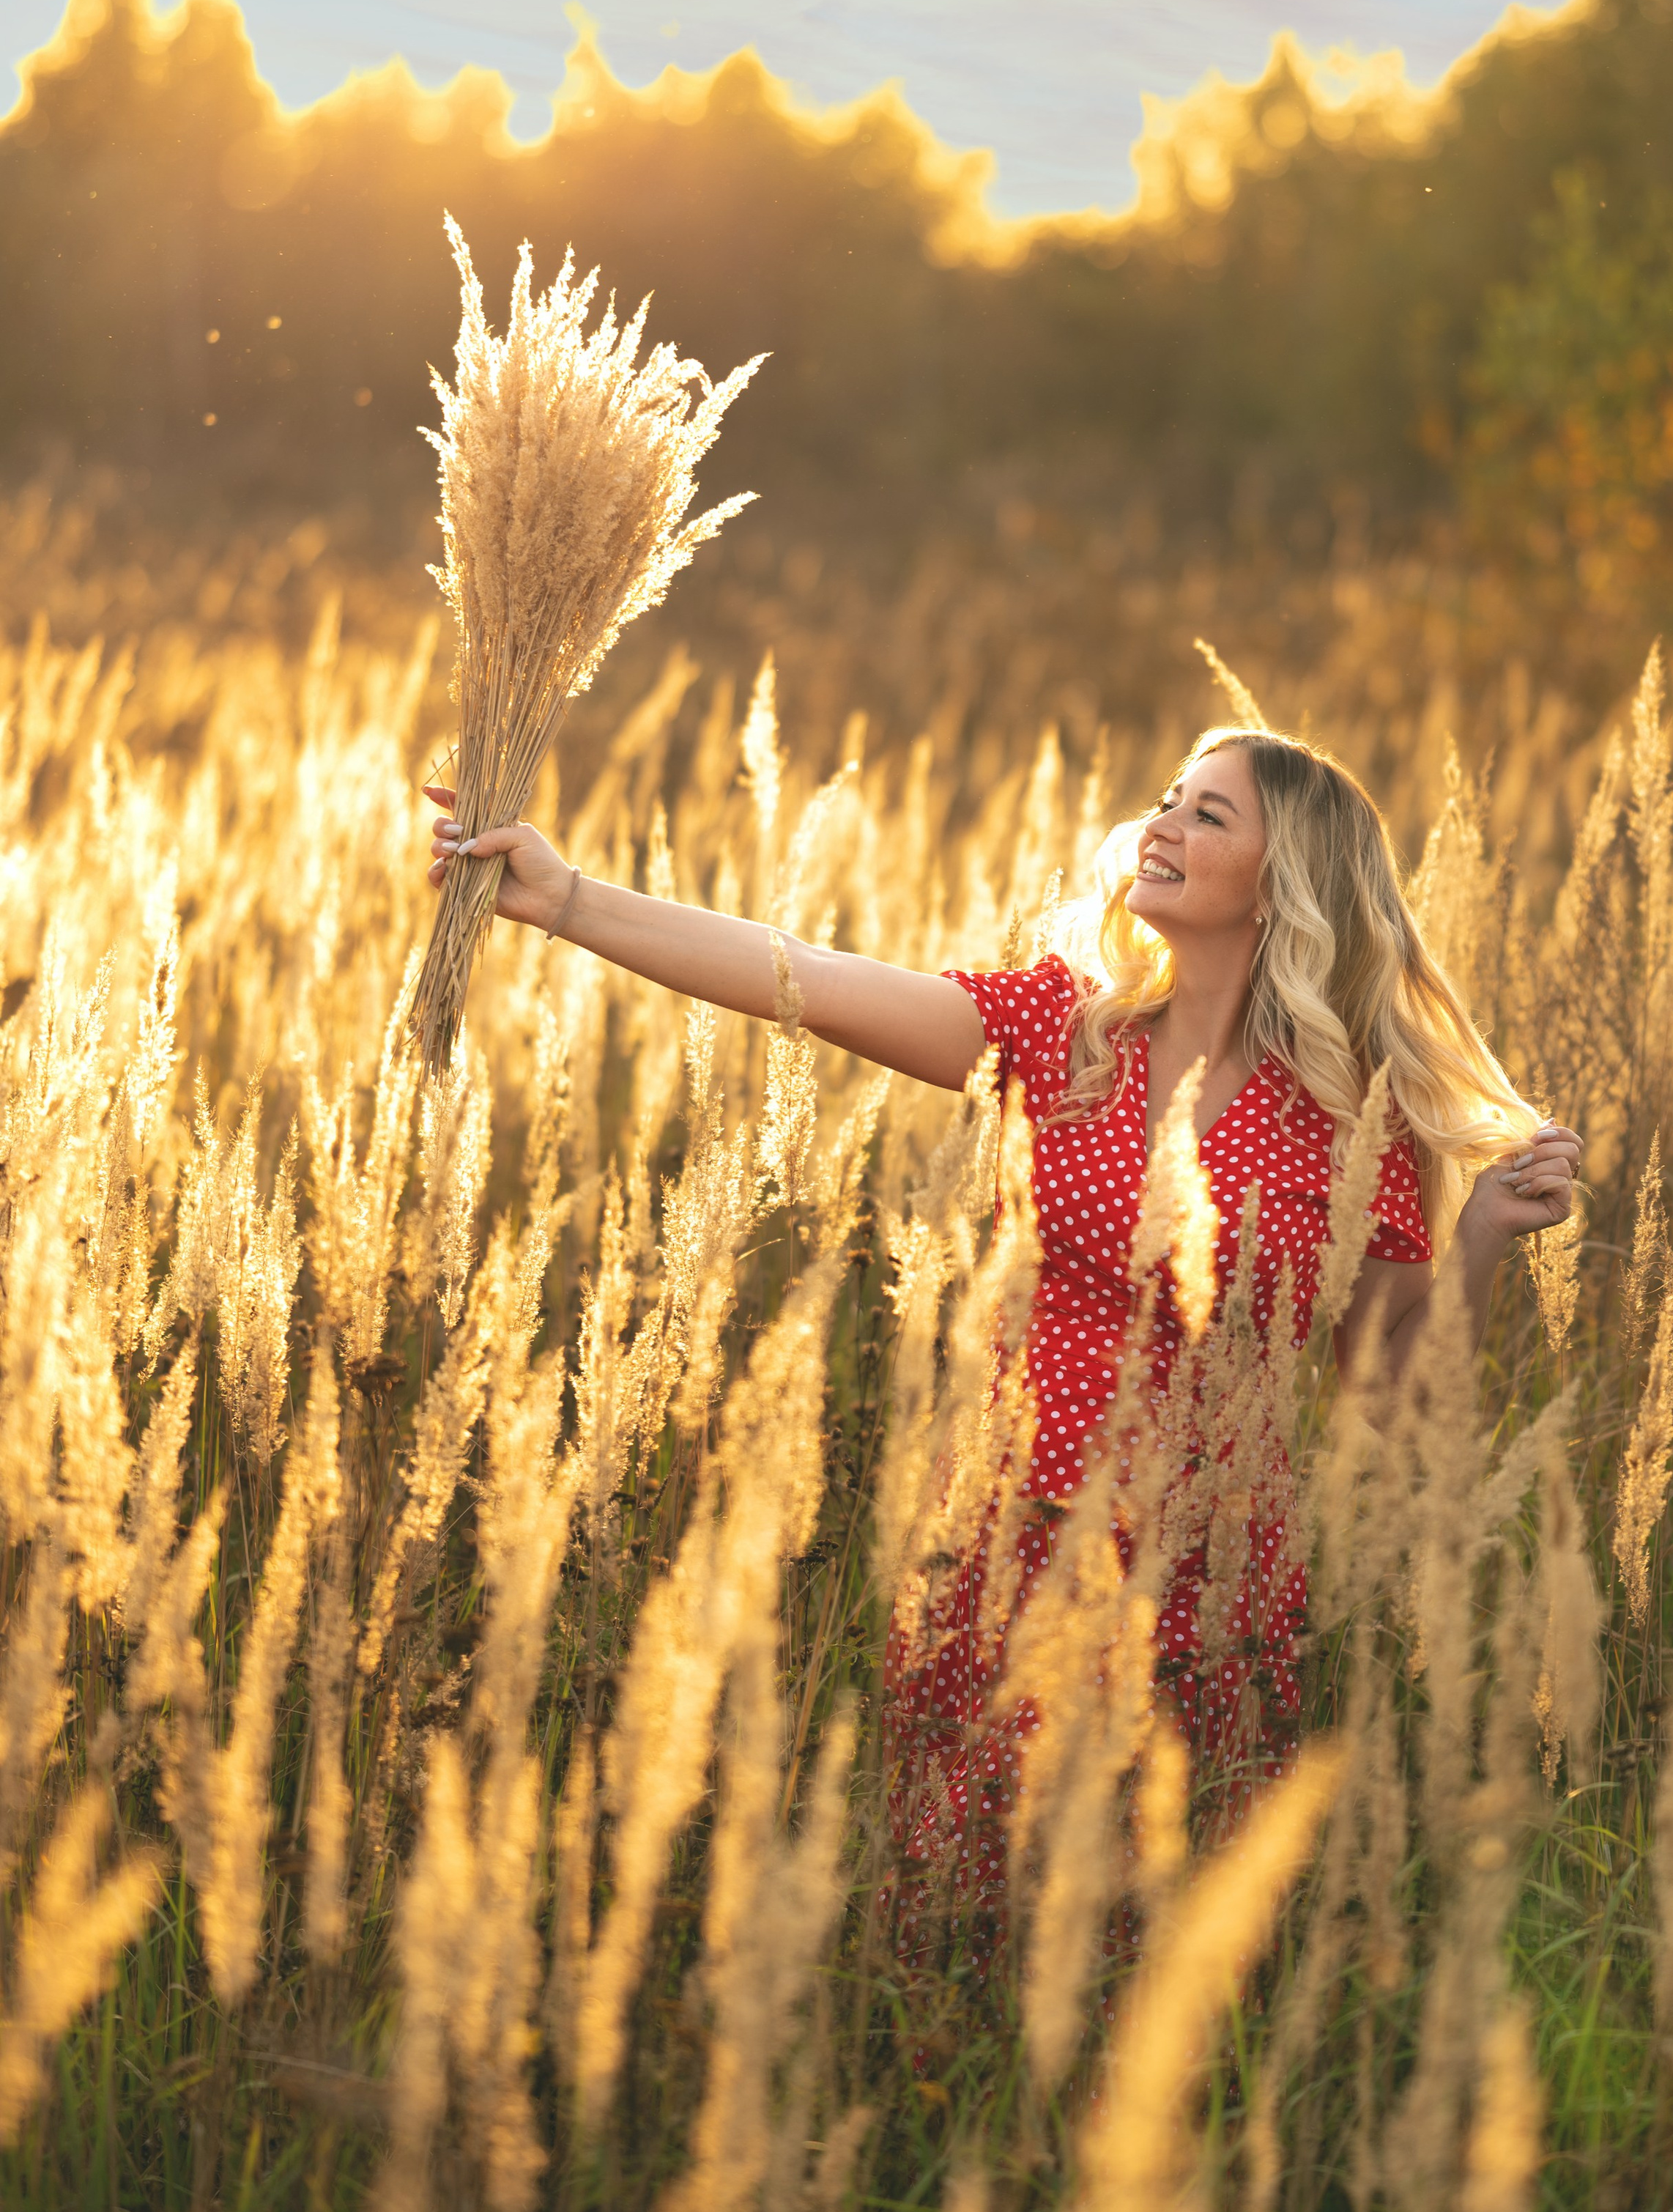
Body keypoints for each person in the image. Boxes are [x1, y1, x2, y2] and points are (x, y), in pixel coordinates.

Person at [423, 722, 1579, 1939]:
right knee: (963, 1922)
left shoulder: (1357, 1123)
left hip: (1208, 1586)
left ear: (1286, 880)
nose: (1161, 829)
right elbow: (801, 977)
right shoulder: (1065, 1031)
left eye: (1207, 816)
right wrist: (565, 899)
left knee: (1152, 1950)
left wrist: (1487, 1233)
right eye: (1166, 800)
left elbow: (1390, 1394)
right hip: (1006, 1550)